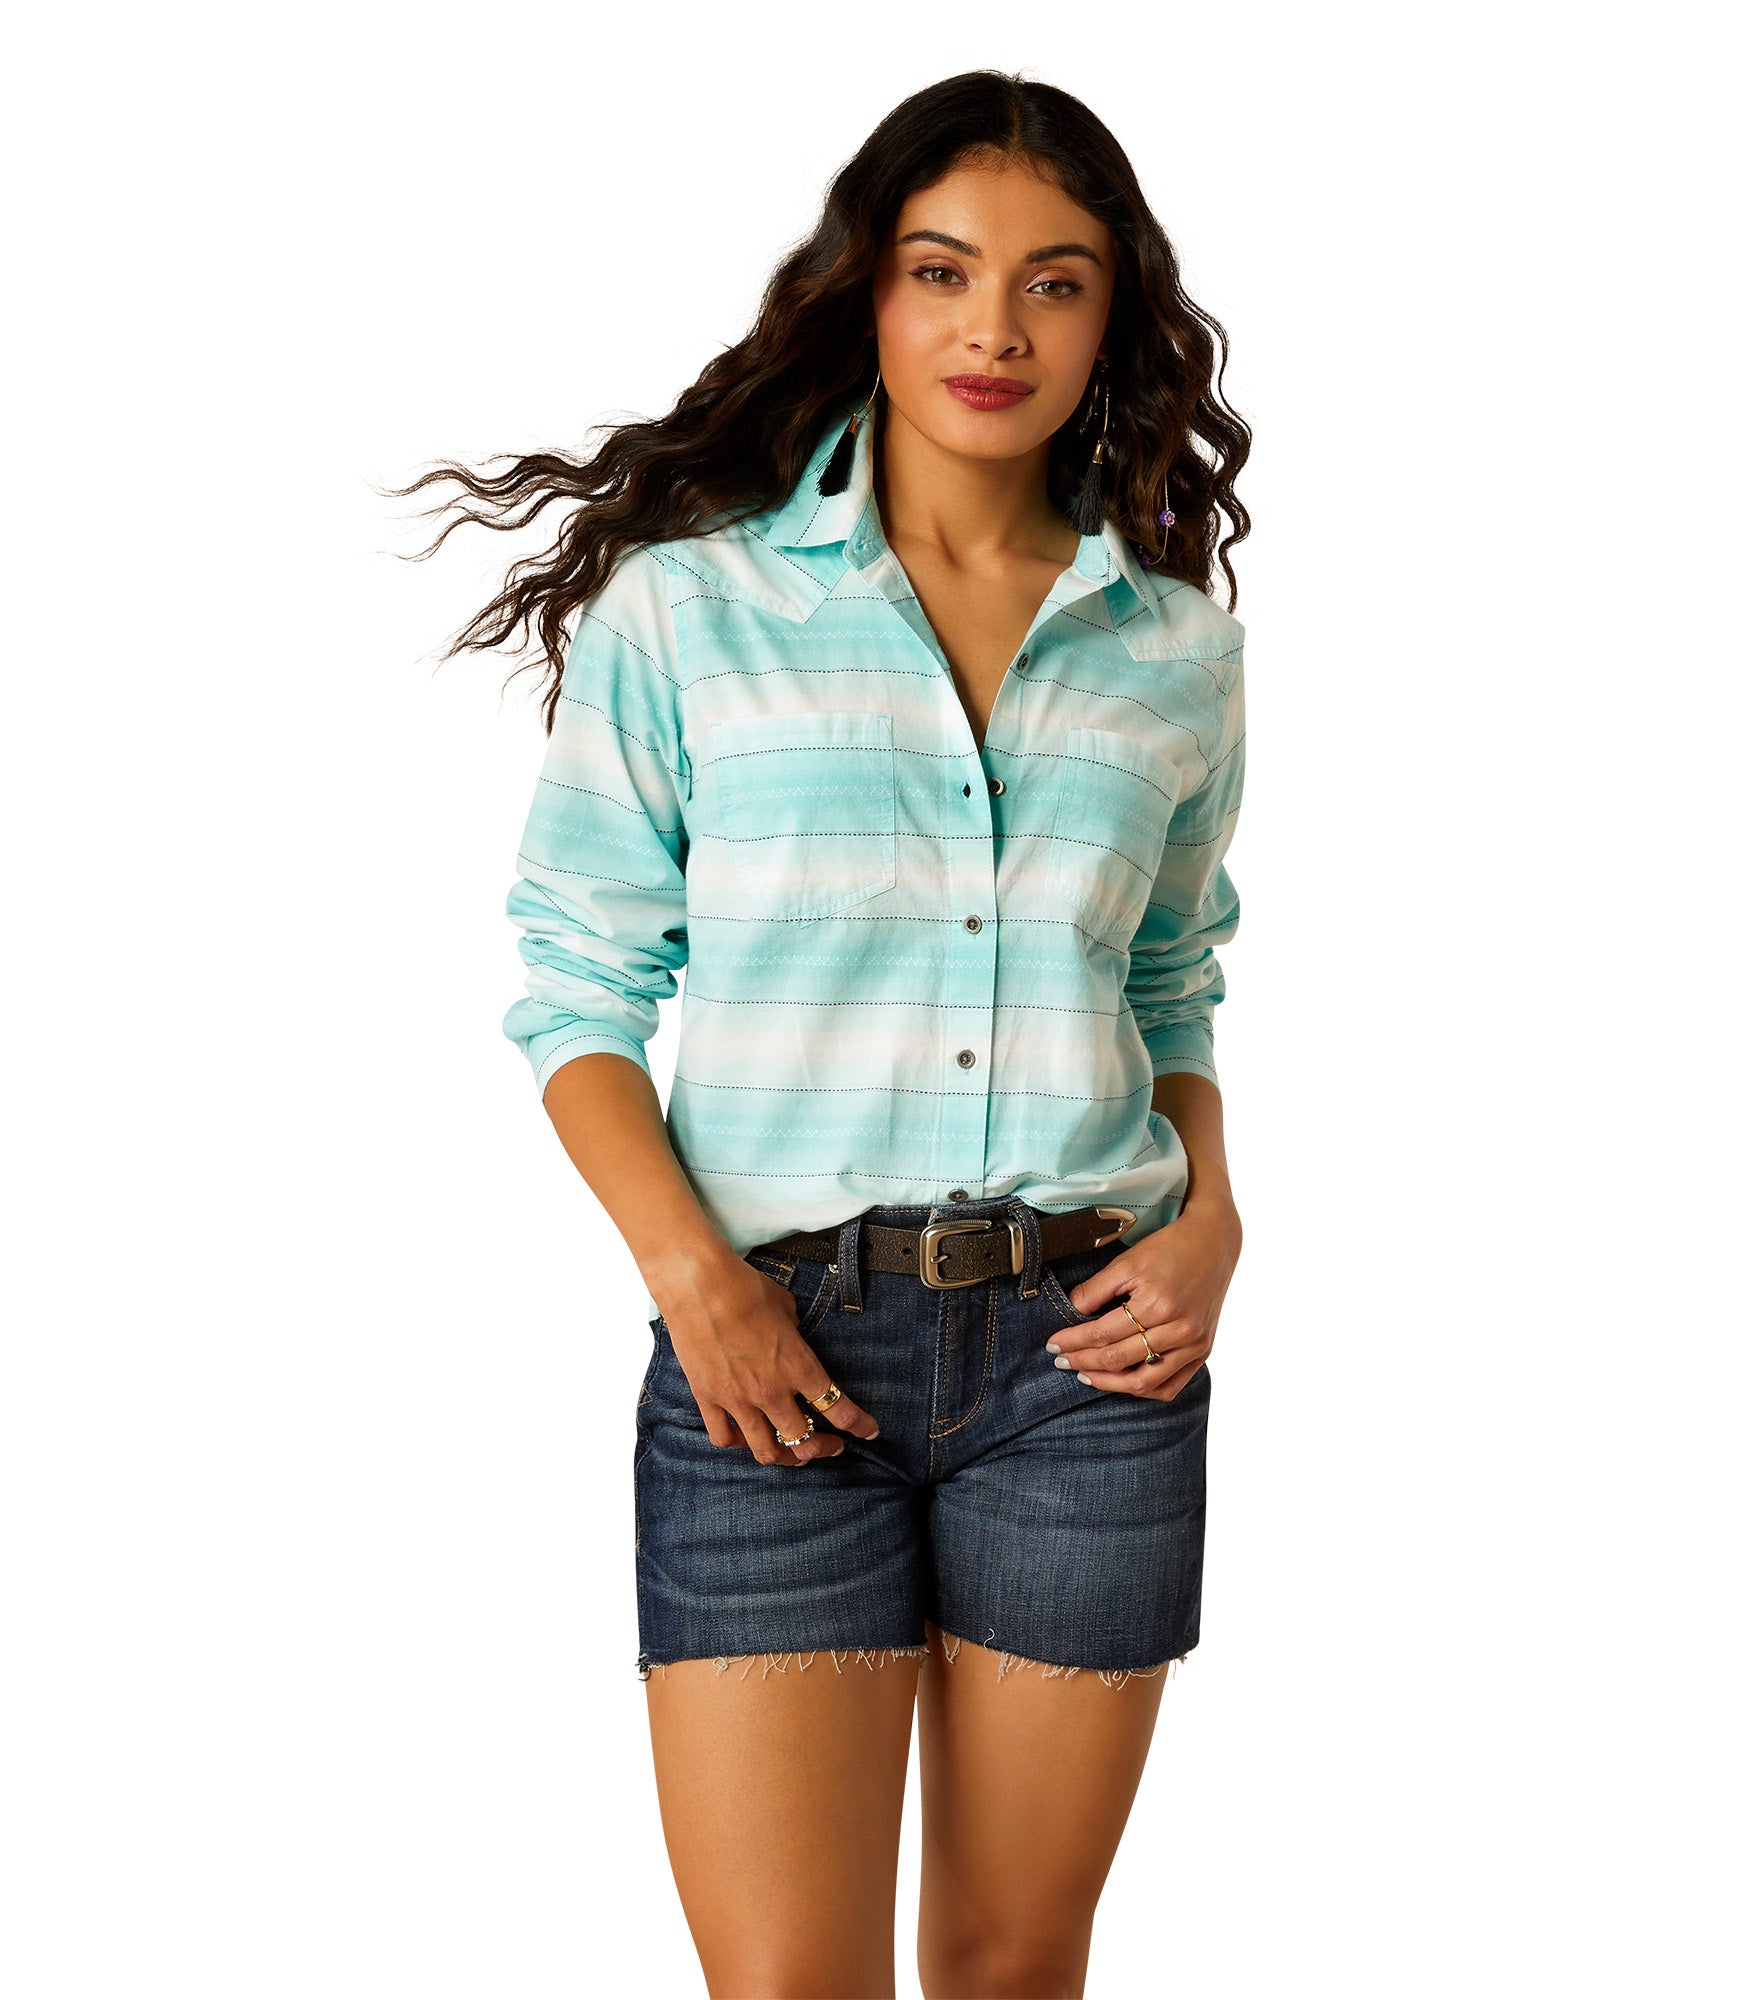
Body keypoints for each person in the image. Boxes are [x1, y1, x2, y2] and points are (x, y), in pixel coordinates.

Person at [401, 68, 1250, 2000]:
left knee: (1013, 1965)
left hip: (1091, 1360)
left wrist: (1215, 1215)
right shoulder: (689, 613)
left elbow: (1170, 981)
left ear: (1111, 320)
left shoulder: (1175, 652)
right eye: (943, 271)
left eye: (1054, 282)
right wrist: (693, 1280)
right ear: (865, 290)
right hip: (769, 1360)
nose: (994, 328)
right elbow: (578, 985)